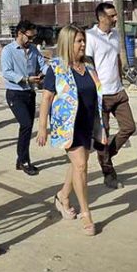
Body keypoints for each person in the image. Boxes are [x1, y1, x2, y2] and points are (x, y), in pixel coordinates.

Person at [37, 25, 106, 236]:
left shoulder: (89, 67)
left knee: (78, 165)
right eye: (79, 41)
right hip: (67, 126)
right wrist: (42, 128)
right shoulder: (56, 67)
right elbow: (47, 97)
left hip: (87, 123)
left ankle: (62, 196)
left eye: (84, 40)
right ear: (68, 43)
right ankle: (86, 214)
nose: (83, 44)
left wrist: (102, 123)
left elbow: (98, 94)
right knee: (82, 165)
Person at [86, 2, 136, 189]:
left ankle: (106, 155)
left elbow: (116, 58)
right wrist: (95, 90)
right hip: (102, 95)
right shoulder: (90, 37)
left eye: (116, 15)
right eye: (112, 16)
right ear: (101, 18)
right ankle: (108, 173)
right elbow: (89, 64)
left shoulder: (115, 35)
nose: (116, 19)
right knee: (102, 136)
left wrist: (122, 80)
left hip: (118, 91)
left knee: (129, 127)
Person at [1, 19, 48, 176]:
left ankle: (21, 157)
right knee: (26, 124)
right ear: (20, 33)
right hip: (15, 93)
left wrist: (45, 72)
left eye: (33, 37)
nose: (31, 40)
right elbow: (7, 72)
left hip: (30, 92)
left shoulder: (34, 49)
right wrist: (25, 79)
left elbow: (43, 64)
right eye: (29, 36)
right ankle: (24, 160)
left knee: (26, 127)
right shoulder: (8, 50)